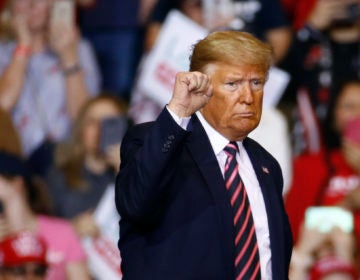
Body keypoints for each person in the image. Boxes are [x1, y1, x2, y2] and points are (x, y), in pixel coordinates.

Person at [115, 30, 293, 279]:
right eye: (233, 84)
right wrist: (178, 111)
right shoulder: (154, 142)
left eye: (256, 83)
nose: (248, 97)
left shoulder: (266, 165)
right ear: (202, 87)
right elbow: (135, 204)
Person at [0, 0, 100, 175]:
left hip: (63, 160)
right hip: (12, 161)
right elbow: (3, 105)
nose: (32, 4)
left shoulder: (80, 49)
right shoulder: (3, 51)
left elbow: (84, 121)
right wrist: (23, 46)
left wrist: (69, 56)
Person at [45, 94, 128, 238]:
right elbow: (39, 230)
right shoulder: (59, 176)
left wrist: (127, 171)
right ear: (81, 130)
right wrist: (71, 230)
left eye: (110, 123)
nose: (100, 130)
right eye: (92, 122)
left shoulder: (136, 176)